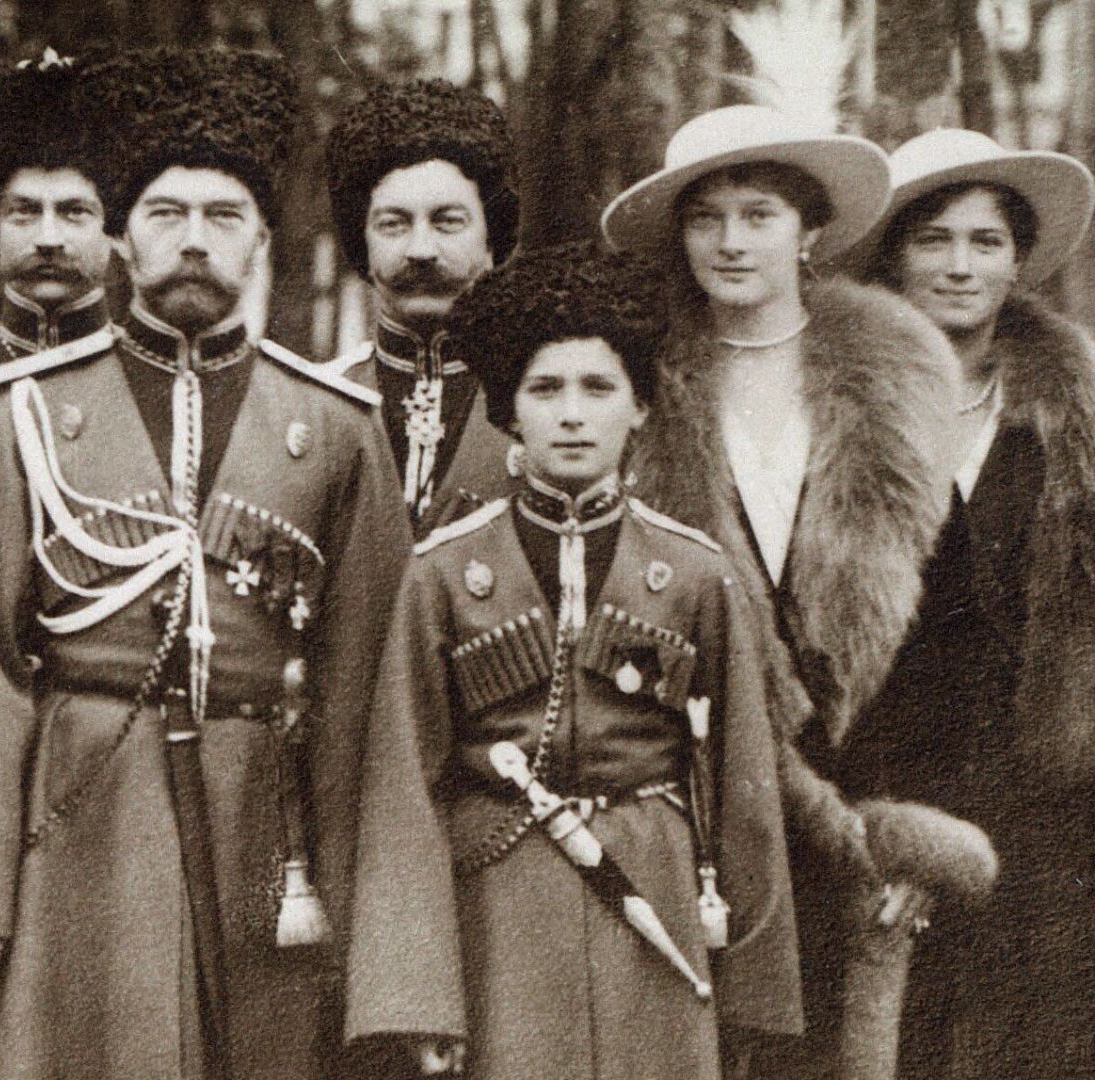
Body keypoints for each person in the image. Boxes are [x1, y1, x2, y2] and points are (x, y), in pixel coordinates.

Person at [0, 45, 411, 1080]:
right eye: (165, 214)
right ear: (125, 235)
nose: (192, 241)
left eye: (222, 216)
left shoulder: (335, 427)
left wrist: (385, 935)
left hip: (264, 813)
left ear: (260, 239)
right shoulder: (26, 412)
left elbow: (374, 696)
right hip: (80, 810)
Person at [345, 239, 801, 1079]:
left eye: (599, 388)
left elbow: (745, 787)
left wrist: (755, 994)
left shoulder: (696, 572)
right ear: (510, 410)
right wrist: (416, 991)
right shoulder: (442, 572)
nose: (572, 413)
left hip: (658, 895)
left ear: (640, 408)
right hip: (499, 901)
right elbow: (403, 784)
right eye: (545, 388)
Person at [603, 104, 996, 1077]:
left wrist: (910, 839)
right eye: (708, 217)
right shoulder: (637, 383)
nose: (732, 242)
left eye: (760, 213)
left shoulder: (899, 378)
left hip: (868, 816)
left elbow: (947, 635)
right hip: (704, 813)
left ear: (810, 230)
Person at [847, 128, 1095, 1080]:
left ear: (1018, 261)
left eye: (986, 242)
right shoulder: (837, 411)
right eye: (933, 239)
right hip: (881, 788)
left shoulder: (1070, 420)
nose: (959, 266)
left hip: (1046, 807)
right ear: (893, 255)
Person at [322, 79, 518, 535]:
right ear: (362, 246)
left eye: (448, 222)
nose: (421, 250)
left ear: (491, 241)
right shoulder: (321, 404)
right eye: (394, 224)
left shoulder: (542, 402)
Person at [0, 48, 115, 365]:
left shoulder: (152, 378)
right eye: (25, 212)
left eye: (75, 212)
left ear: (114, 229)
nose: (48, 239)